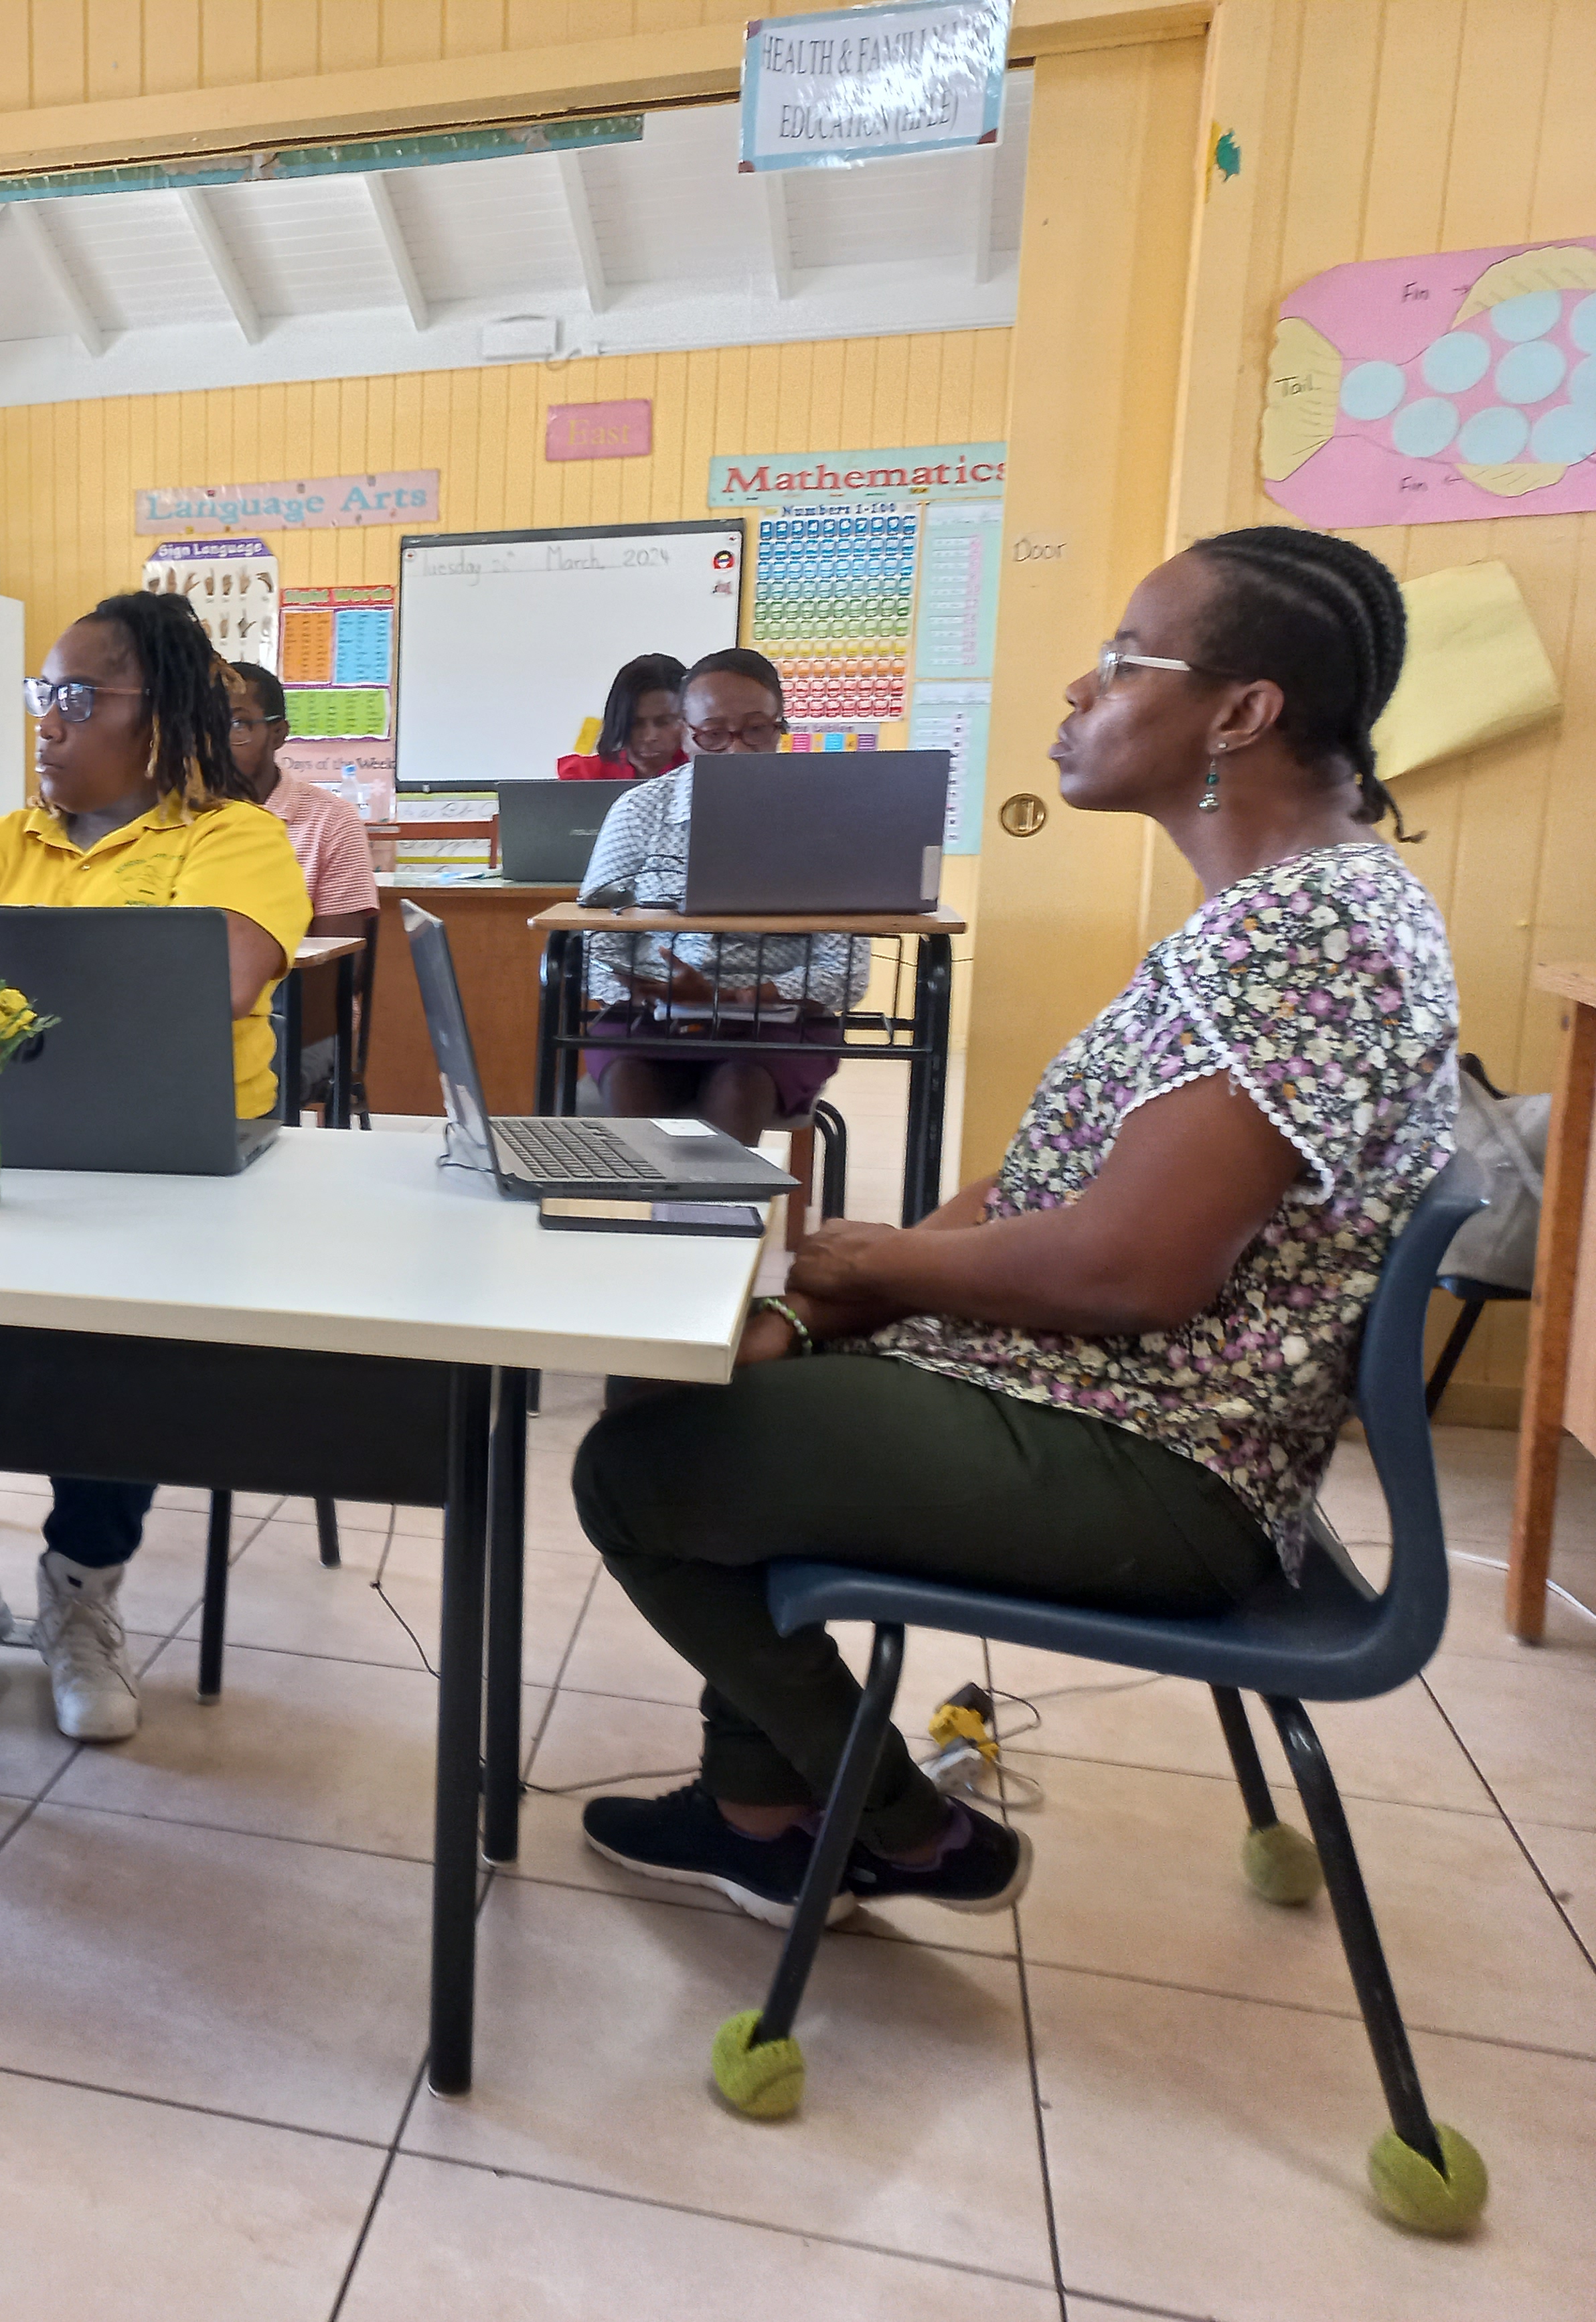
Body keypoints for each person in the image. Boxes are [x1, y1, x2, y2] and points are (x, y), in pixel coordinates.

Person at [574, 528, 1455, 1922]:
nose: (1073, 690)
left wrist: (869, 1259)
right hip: (1100, 1399)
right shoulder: (1287, 909)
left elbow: (1129, 1264)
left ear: (1238, 713)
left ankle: (899, 1830)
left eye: (1116, 661)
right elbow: (1056, 1178)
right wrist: (827, 1301)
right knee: (723, 1390)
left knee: (637, 1465)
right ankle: (762, 1807)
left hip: (1155, 1455)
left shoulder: (1306, 931)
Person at [0, 591, 312, 1739]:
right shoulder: (0, 843)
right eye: (43, 695)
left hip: (161, 1171)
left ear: (160, 715)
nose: (46, 721)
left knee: (113, 1363)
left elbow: (211, 981)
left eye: (75, 699)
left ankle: (78, 1593)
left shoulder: (230, 837)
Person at [574, 648, 862, 1144]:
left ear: (779, 725)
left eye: (755, 729)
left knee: (738, 1083)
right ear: (686, 733)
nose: (736, 750)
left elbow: (847, 971)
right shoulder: (641, 810)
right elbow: (594, 939)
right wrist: (646, 991)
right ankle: (658, 1217)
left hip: (775, 1026)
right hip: (647, 1021)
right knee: (630, 1079)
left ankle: (711, 1217)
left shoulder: (826, 819)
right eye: (713, 733)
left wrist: (735, 998)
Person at [222, 660, 380, 937]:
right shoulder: (178, 818)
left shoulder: (332, 823)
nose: (216, 741)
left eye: (238, 724)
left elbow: (337, 966)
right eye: (203, 724)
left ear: (278, 734)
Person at [554, 651, 690, 781]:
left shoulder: (702, 773)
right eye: (636, 723)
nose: (650, 737)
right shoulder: (585, 776)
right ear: (618, 721)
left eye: (664, 722)